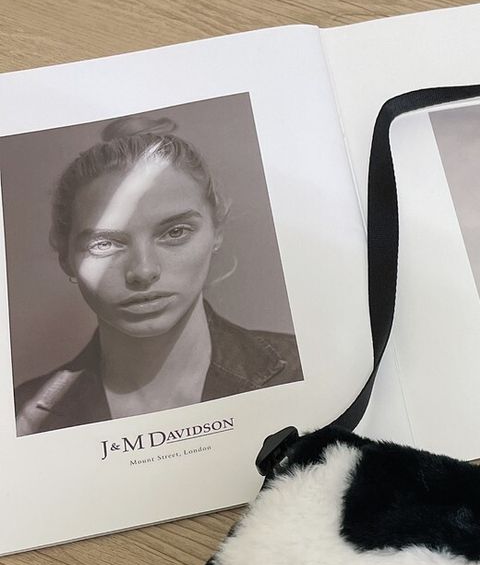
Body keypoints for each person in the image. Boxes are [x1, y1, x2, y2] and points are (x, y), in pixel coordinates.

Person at [15, 114, 301, 436]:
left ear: (216, 230)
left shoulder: (300, 368)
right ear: (66, 258)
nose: (143, 271)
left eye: (175, 232)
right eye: (104, 243)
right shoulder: (21, 420)